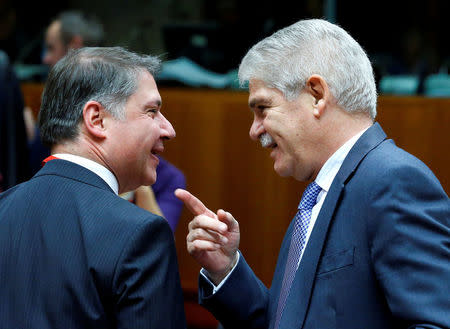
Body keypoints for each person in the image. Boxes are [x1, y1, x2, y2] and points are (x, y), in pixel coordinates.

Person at [175, 19, 450, 329]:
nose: (254, 130)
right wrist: (226, 269)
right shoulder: (317, 199)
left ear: (317, 95)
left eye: (263, 107)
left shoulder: (394, 181)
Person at [0, 47, 186, 328]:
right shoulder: (139, 234)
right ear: (96, 119)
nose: (168, 129)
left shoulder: (4, 207)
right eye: (152, 111)